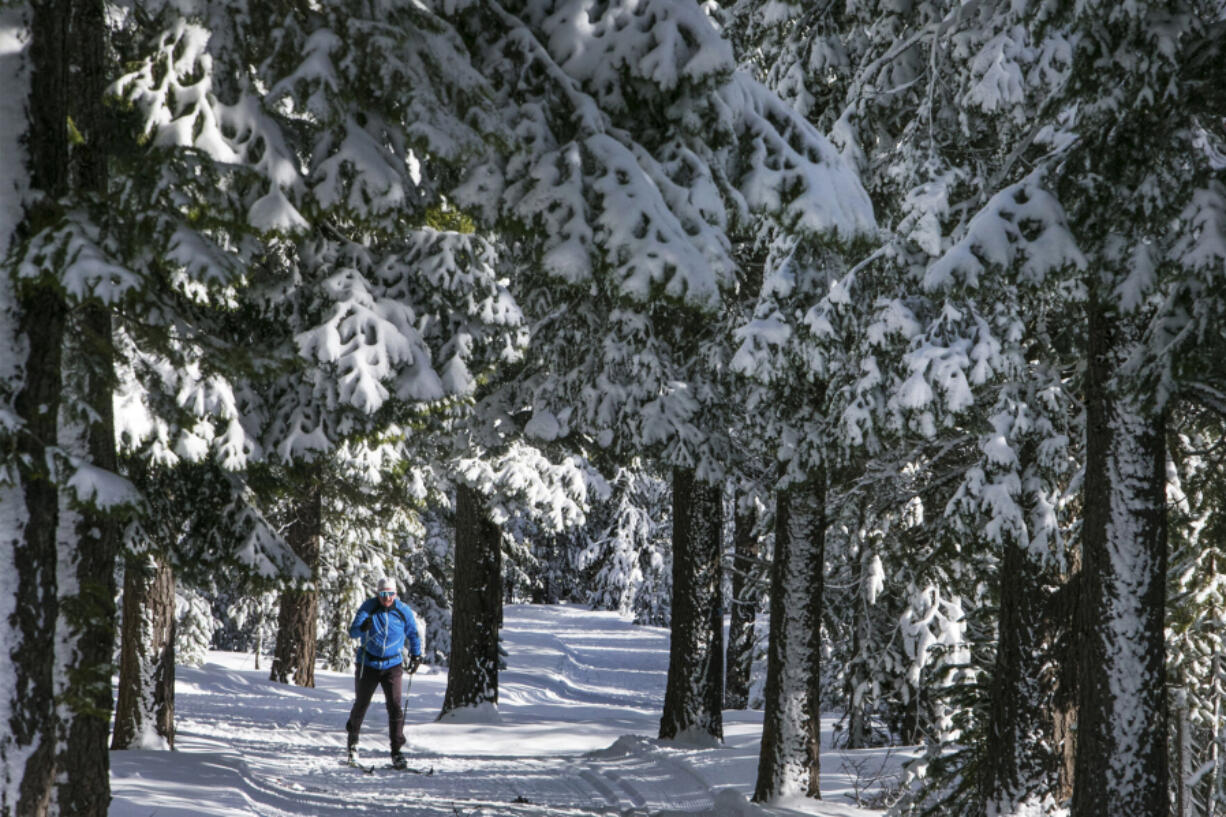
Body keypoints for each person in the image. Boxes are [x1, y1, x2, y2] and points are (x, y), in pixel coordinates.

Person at [345, 577, 422, 769]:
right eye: (382, 594)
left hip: (393, 665)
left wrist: (416, 655)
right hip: (368, 663)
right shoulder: (369, 607)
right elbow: (353, 632)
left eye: (390, 594)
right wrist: (362, 628)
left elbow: (413, 633)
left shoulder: (403, 611)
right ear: (377, 593)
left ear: (395, 594)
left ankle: (397, 751)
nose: (386, 598)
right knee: (362, 704)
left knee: (395, 706)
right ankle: (353, 743)